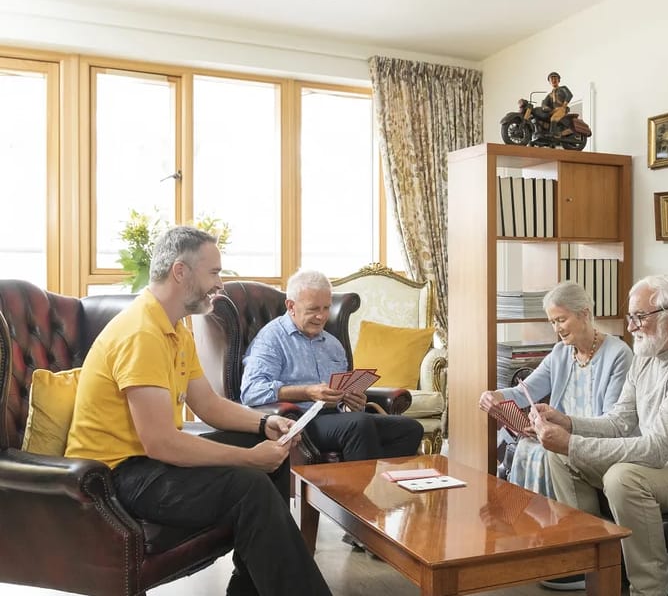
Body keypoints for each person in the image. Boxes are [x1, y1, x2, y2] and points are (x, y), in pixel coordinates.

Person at [65, 226, 332, 596]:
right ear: (181, 272)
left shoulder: (174, 330)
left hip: (147, 463)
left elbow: (207, 404)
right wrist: (249, 459)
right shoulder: (141, 333)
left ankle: (250, 590)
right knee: (250, 485)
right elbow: (161, 443)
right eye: (214, 272)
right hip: (115, 476)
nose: (220, 283)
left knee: (273, 452)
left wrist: (264, 422)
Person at [533, 275, 668, 596]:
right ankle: (592, 564)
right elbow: (619, 422)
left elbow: (655, 449)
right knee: (561, 456)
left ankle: (653, 590)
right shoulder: (647, 355)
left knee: (623, 478)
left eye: (639, 317)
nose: (631, 326)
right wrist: (567, 423)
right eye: (630, 316)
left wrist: (572, 442)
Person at [479, 281, 632, 591]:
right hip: (560, 435)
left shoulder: (618, 354)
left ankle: (571, 553)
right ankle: (542, 544)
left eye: (561, 319)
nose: (556, 329)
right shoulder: (561, 352)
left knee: (545, 451)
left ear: (584, 314)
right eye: (552, 322)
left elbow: (613, 422)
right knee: (527, 447)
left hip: (599, 441)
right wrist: (495, 395)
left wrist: (563, 429)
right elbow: (526, 390)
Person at [239, 268, 424, 462]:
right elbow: (251, 391)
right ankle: (362, 481)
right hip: (299, 421)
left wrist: (352, 403)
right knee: (358, 424)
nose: (321, 317)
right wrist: (307, 392)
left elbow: (343, 403)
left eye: (326, 308)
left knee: (410, 429)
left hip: (337, 418)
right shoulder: (271, 339)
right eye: (313, 309)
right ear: (291, 306)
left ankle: (370, 477)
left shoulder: (333, 345)